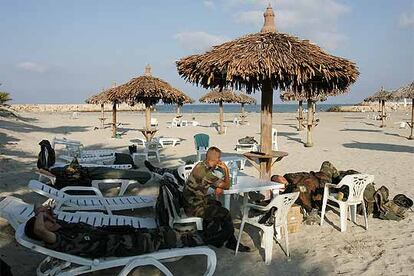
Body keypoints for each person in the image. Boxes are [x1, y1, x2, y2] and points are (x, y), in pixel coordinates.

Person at [146, 147, 250, 252]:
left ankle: (212, 234)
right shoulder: (205, 173)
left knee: (217, 204)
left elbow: (210, 181)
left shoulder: (200, 165)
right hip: (194, 208)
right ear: (216, 160)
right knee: (225, 213)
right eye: (219, 158)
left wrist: (217, 185)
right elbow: (227, 185)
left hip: (188, 202)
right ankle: (227, 241)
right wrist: (226, 170)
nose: (220, 160)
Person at [24, 206, 203, 258]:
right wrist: (40, 214)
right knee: (165, 238)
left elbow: (46, 221)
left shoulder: (61, 227)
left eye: (49, 217)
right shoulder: (56, 240)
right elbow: (39, 228)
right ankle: (200, 239)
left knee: (160, 230)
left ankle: (187, 234)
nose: (52, 219)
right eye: (47, 220)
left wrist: (43, 213)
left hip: (119, 235)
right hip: (122, 246)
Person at [271, 161, 359, 212]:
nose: (282, 178)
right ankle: (342, 189)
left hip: (320, 176)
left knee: (327, 164)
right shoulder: (294, 188)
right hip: (322, 185)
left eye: (281, 177)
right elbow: (304, 193)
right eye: (280, 180)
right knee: (342, 181)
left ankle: (341, 182)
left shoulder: (289, 176)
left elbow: (304, 173)